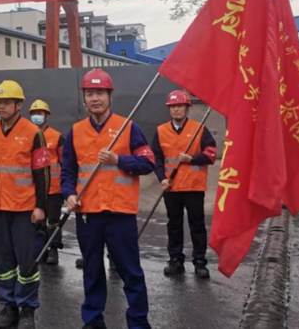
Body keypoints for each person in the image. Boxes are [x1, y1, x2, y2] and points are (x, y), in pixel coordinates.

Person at [62, 69, 155, 329]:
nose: (95, 98)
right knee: (92, 271)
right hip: (88, 213)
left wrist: (119, 160)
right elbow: (68, 170)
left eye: (100, 92)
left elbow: (148, 162)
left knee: (131, 273)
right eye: (90, 93)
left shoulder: (128, 127)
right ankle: (93, 321)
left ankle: (138, 323)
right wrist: (69, 193)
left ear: (109, 96)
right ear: (84, 99)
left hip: (119, 213)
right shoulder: (76, 131)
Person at [0, 81, 47, 329]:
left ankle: (27, 309)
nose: (2, 106)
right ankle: (8, 306)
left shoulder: (33, 133)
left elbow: (42, 173)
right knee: (3, 261)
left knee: (27, 261)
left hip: (25, 208)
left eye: (7, 102)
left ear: (19, 105)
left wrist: (41, 206)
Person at [152, 90, 217, 279]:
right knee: (174, 225)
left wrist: (192, 158)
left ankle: (199, 262)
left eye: (180, 106)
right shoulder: (161, 130)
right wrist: (161, 178)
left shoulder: (199, 129)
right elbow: (156, 157)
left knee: (197, 225)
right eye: (173, 106)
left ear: (187, 108)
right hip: (171, 187)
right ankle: (175, 260)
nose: (176, 109)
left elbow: (212, 153)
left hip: (194, 187)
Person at [29, 99, 65, 266]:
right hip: (34, 189)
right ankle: (40, 248)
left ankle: (53, 249)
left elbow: (65, 162)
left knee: (53, 221)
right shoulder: (28, 136)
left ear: (47, 116)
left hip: (54, 189)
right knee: (38, 221)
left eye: (40, 113)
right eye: (34, 114)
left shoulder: (57, 137)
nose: (37, 116)